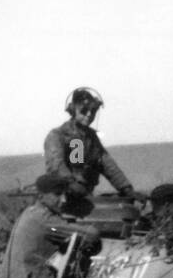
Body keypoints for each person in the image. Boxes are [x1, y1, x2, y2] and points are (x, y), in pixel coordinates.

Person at [44, 87, 141, 217]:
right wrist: (71, 183)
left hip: (84, 199)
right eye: (84, 111)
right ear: (73, 110)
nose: (89, 114)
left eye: (93, 111)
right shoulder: (58, 136)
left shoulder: (91, 138)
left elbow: (107, 164)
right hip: (60, 202)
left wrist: (127, 189)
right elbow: (56, 165)